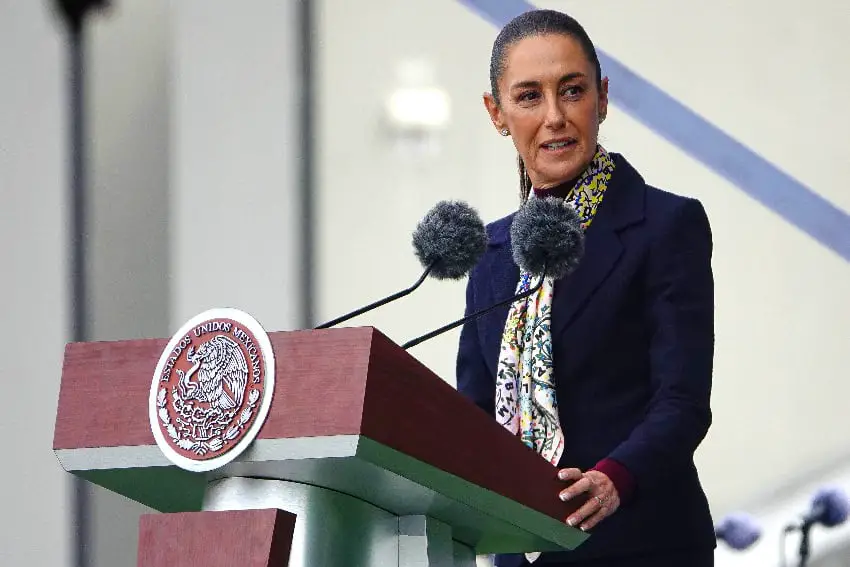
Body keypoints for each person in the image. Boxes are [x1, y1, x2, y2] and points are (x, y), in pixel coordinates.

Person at [456, 9, 716, 567]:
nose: (555, 116)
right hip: (519, 551)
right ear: (495, 113)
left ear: (601, 96)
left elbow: (683, 401)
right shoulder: (490, 255)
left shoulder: (664, 226)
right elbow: (473, 417)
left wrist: (613, 479)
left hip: (641, 543)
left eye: (572, 91)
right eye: (528, 97)